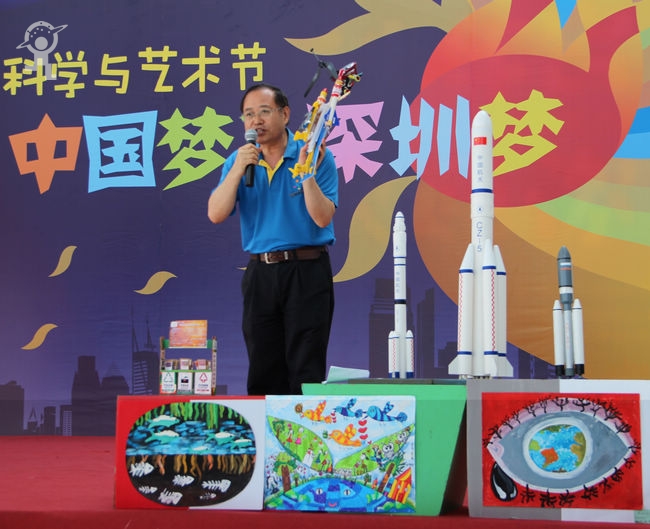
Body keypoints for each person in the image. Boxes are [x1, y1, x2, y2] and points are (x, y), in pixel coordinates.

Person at [207, 83, 338, 396]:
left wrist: (306, 170)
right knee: (263, 366)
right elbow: (215, 213)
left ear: (285, 114)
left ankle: (303, 427)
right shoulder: (238, 161)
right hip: (261, 274)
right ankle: (267, 428)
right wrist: (237, 170)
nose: (256, 121)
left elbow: (323, 218)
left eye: (264, 112)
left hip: (307, 271)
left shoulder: (314, 154)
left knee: (306, 367)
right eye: (248, 115)